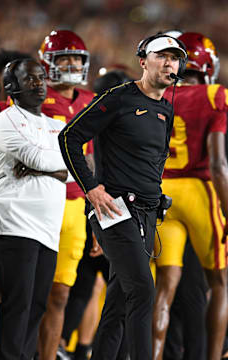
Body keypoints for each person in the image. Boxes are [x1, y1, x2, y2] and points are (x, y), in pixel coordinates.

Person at [58, 34, 188, 360]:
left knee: (118, 302)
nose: (169, 63)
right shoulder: (118, 98)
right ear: (143, 60)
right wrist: (90, 187)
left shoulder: (166, 109)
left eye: (174, 58)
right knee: (143, 292)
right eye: (162, 56)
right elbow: (70, 136)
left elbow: (155, 161)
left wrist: (155, 201)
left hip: (145, 213)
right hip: (114, 208)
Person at [0, 58, 73, 360]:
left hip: (47, 228)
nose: (38, 83)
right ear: (11, 86)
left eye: (40, 77)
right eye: (29, 79)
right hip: (13, 220)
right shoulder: (5, 120)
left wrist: (43, 168)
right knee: (18, 302)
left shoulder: (57, 125)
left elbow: (76, 169)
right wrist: (51, 168)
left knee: (37, 303)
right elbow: (41, 159)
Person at [152, 32, 228, 360]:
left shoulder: (155, 94)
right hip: (199, 190)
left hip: (162, 192)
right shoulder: (215, 95)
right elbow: (218, 163)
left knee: (164, 289)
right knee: (221, 283)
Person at [37, 29, 95, 360]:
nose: (72, 64)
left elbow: (93, 159)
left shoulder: (90, 100)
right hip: (39, 200)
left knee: (60, 292)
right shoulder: (35, 98)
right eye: (64, 58)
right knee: (27, 293)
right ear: (48, 63)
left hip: (75, 204)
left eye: (76, 58)